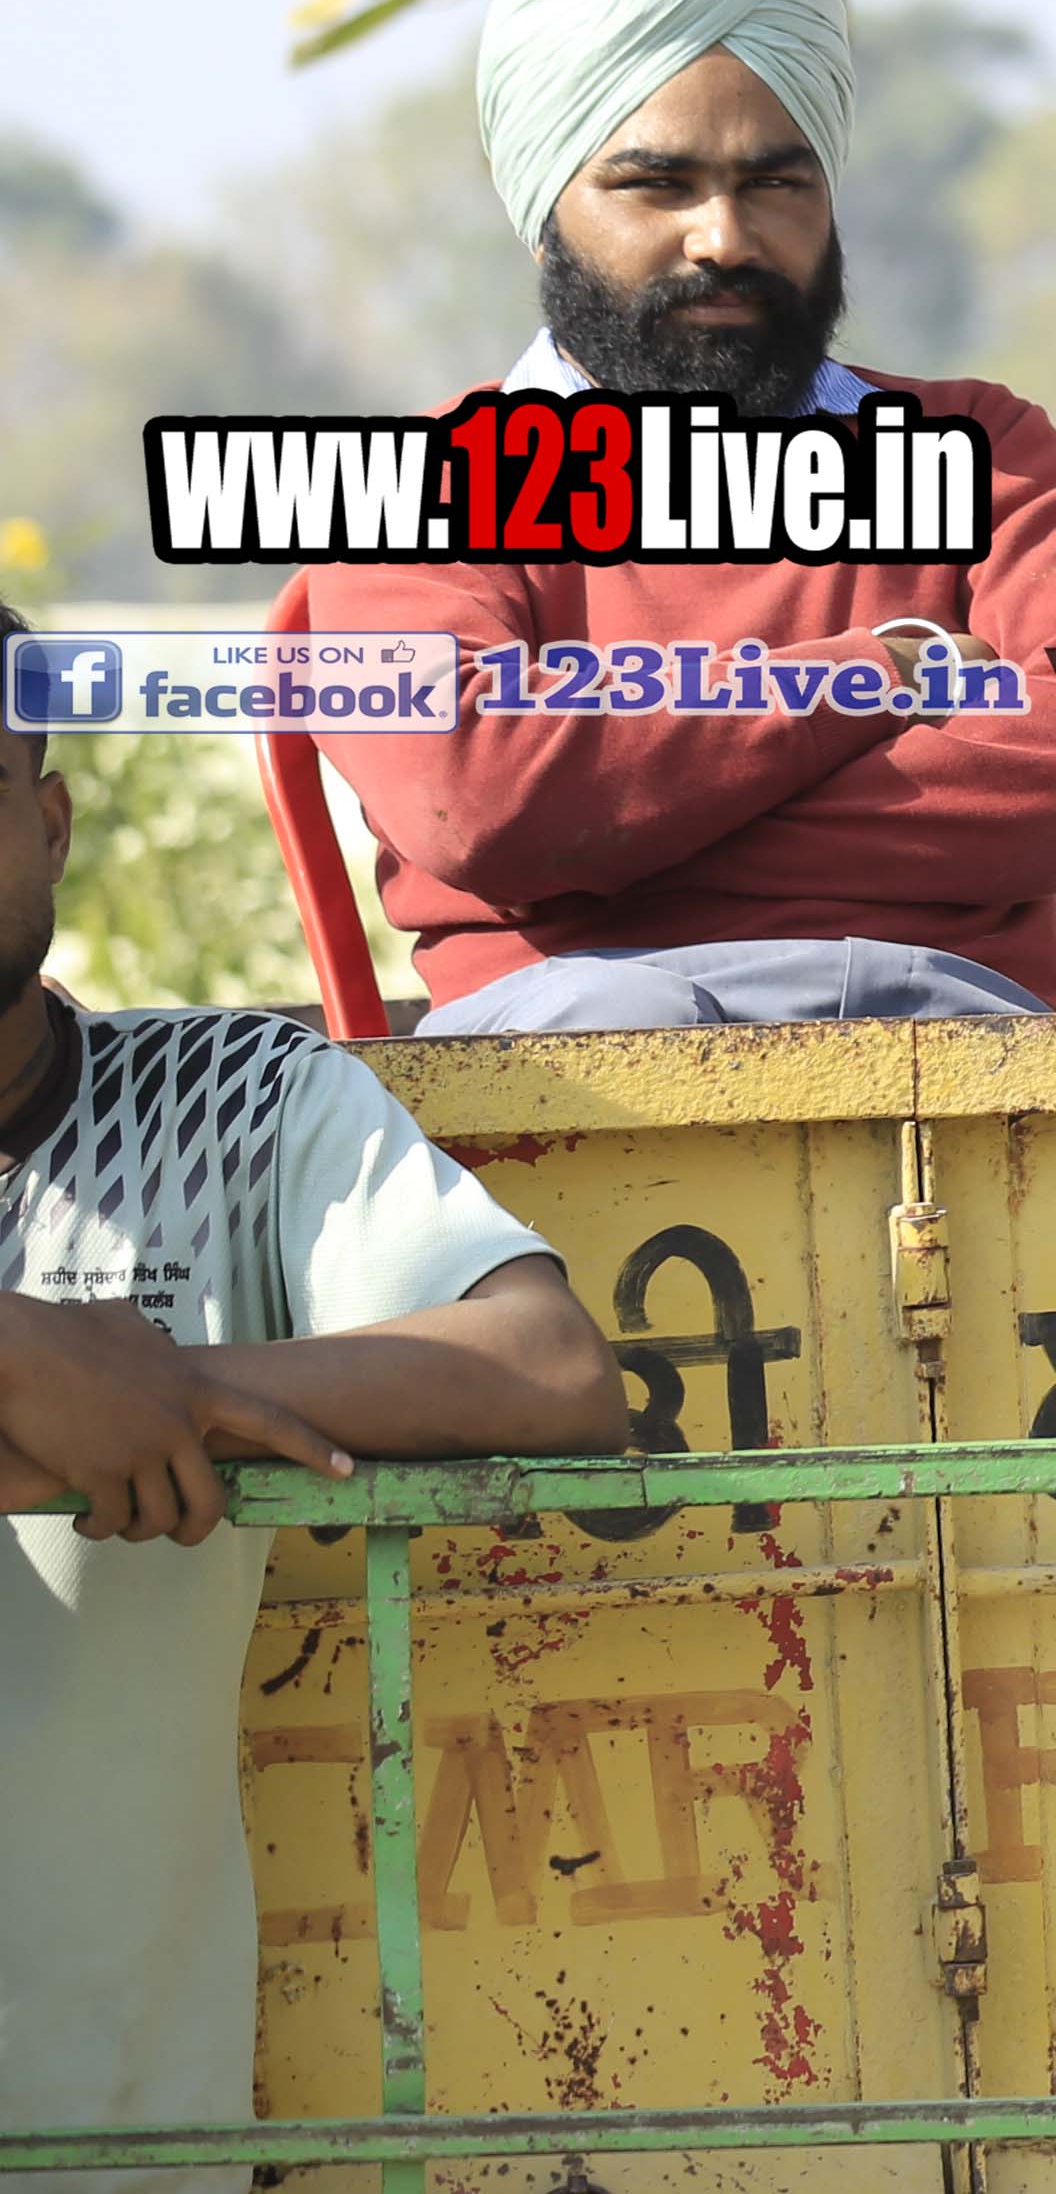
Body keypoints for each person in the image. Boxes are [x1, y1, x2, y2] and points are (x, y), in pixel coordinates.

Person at [311, 0, 1056, 1028]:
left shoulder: (985, 454)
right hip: (570, 1079)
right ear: (542, 207)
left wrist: (610, 827)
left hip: (952, 1053)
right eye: (658, 185)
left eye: (776, 183)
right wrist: (883, 674)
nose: (724, 238)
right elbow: (476, 803)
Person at [2, 602, 627, 2189]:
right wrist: (25, 1356)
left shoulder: (228, 1102)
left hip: (115, 2135)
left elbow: (550, 1372)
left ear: (50, 823)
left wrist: (156, 1389)